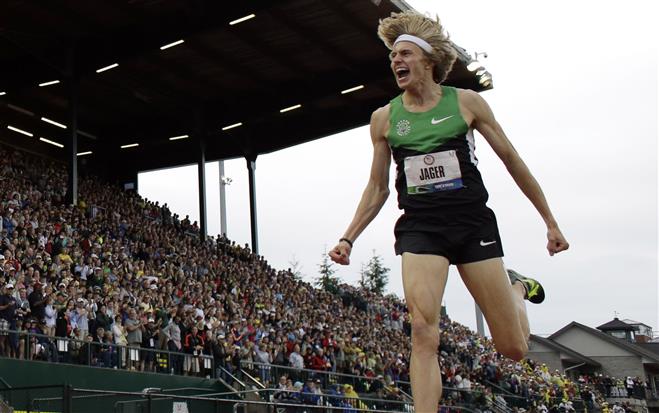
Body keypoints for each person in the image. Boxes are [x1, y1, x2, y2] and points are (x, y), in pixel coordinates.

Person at [328, 10, 569, 412]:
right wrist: (348, 236)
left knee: (512, 349)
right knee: (423, 331)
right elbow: (377, 187)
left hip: (472, 224)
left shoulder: (467, 104)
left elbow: (513, 161)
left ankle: (517, 289)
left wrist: (550, 222)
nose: (396, 62)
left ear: (428, 61)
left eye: (404, 54)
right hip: (421, 228)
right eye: (392, 57)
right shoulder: (385, 119)